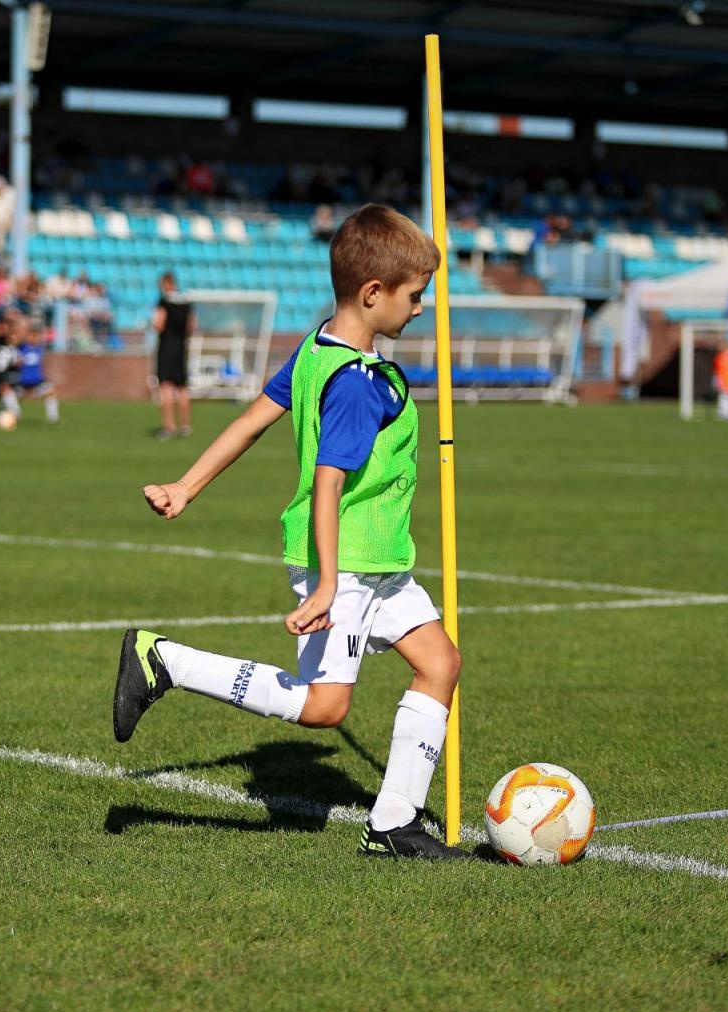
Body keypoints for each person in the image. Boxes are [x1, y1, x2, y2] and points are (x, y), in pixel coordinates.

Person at [113, 204, 469, 862]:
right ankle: (166, 661)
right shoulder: (357, 382)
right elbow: (329, 482)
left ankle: (393, 824)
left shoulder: (316, 348)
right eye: (415, 296)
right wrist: (330, 583)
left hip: (381, 562)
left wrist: (187, 485)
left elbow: (252, 420)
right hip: (349, 563)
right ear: (374, 293)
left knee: (441, 663)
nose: (420, 309)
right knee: (327, 709)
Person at [151, 272, 193, 439]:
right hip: (181, 348)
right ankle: (186, 425)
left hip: (167, 348)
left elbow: (159, 324)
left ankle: (169, 426)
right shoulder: (186, 301)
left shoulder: (164, 301)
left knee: (166, 387)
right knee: (182, 387)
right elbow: (191, 326)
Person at [11, 320, 59, 425]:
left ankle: (53, 418)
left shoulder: (39, 348)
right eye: (32, 335)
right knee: (10, 397)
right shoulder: (21, 347)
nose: (34, 338)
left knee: (51, 392)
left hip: (37, 381)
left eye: (36, 335)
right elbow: (14, 340)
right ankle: (14, 415)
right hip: (23, 381)